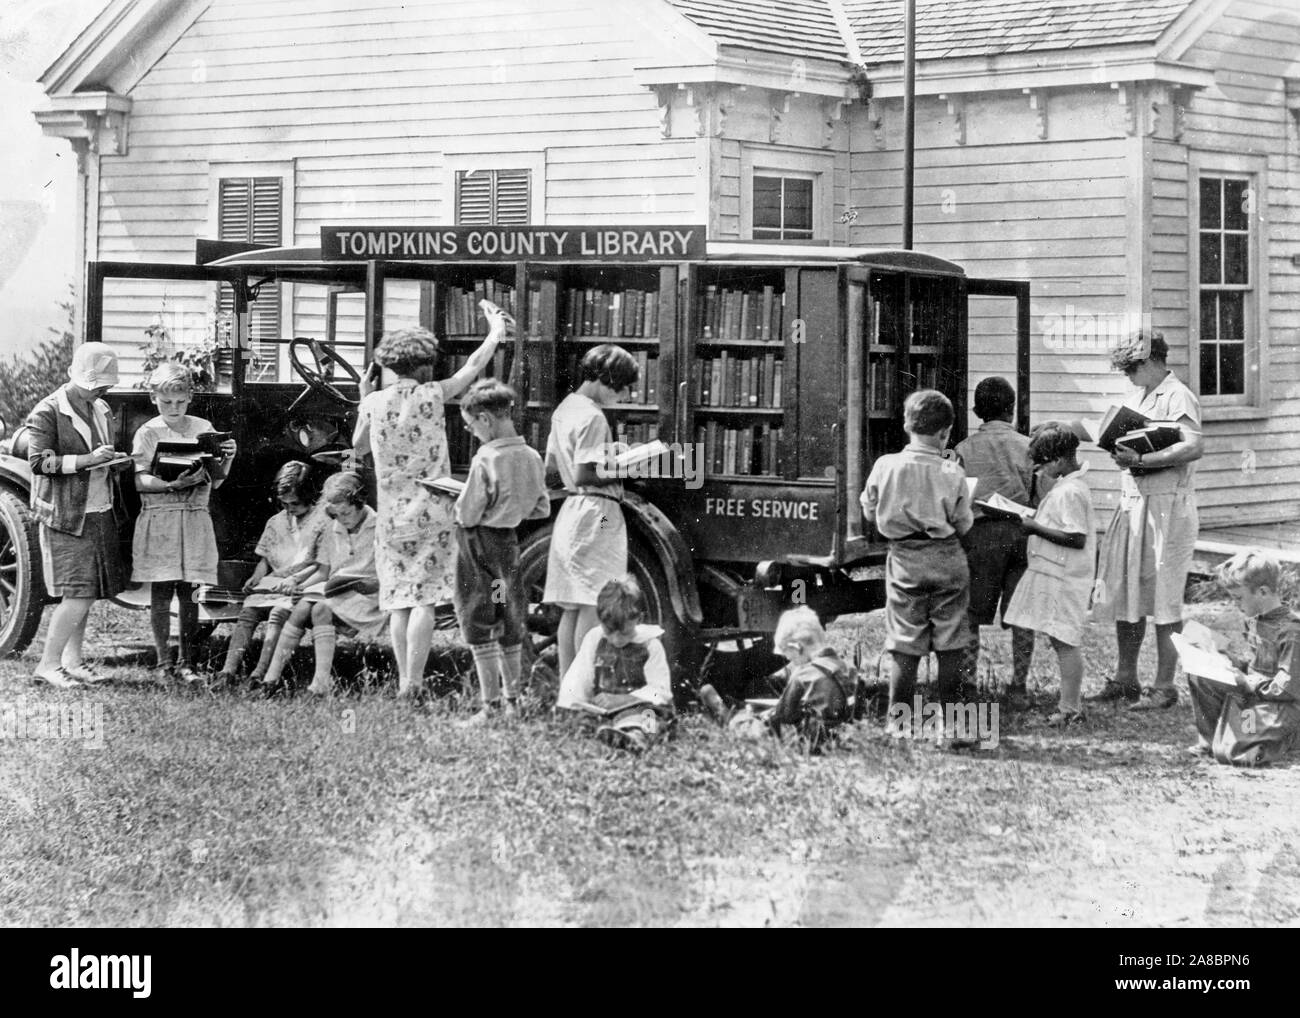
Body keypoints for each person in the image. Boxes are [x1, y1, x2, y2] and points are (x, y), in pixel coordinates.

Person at [353, 308, 509, 699]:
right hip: (433, 509)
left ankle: (405, 678)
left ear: (387, 364)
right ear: (424, 365)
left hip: (391, 514)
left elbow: (357, 445)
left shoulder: (374, 402)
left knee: (399, 601)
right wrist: (495, 332)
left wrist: (362, 398)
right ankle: (414, 683)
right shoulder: (434, 393)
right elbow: (473, 368)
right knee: (423, 597)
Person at [1090, 331, 1203, 710]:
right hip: (1135, 502)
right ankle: (1126, 678)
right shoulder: (1136, 397)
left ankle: (1164, 685)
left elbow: (1193, 445)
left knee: (1165, 597)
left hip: (1167, 507)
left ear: (1152, 360)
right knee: (1128, 591)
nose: (1128, 375)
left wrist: (1142, 460)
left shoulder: (1177, 394)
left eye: (1132, 367)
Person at [859, 389, 974, 733]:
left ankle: (901, 725)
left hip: (904, 558)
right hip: (946, 557)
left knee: (904, 643)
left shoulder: (885, 465)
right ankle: (953, 727)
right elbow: (963, 522)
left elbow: (868, 508)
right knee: (952, 643)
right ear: (945, 432)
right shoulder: (952, 472)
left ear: (908, 426)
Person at [25, 342, 131, 688]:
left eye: (104, 385)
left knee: (86, 591)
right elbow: (39, 463)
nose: (101, 391)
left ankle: (71, 661)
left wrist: (115, 461)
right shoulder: (47, 411)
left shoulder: (101, 408)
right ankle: (48, 664)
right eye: (96, 385)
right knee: (78, 592)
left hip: (98, 509)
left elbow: (100, 452)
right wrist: (87, 461)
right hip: (67, 516)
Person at [450, 379, 550, 725]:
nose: (472, 432)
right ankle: (513, 702)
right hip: (507, 549)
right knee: (507, 616)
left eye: (471, 424)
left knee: (478, 617)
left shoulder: (486, 458)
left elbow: (467, 513)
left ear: (486, 420)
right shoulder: (532, 457)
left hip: (477, 548)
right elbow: (540, 509)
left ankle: (489, 707)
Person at [131, 362, 238, 683]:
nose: (174, 408)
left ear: (190, 397)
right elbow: (140, 480)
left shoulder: (203, 427)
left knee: (190, 591)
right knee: (162, 591)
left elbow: (216, 481)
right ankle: (165, 662)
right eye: (166, 403)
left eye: (180, 402)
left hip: (193, 517)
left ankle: (187, 662)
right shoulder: (148, 432)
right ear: (154, 399)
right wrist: (170, 486)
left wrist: (227, 457)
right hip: (162, 518)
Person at [544, 344, 639, 680]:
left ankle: (568, 688)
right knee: (594, 601)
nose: (625, 395)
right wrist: (626, 468)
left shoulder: (565, 409)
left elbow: (554, 470)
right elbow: (587, 473)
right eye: (623, 386)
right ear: (606, 379)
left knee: (572, 605)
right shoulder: (594, 417)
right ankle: (584, 685)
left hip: (573, 511)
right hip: (598, 513)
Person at [1002, 423, 1097, 726]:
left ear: (1057, 461)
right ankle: (1069, 705)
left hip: (1065, 577)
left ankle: (1070, 708)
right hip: (1058, 573)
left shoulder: (1069, 491)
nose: (1040, 471)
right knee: (1059, 640)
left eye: (1042, 465)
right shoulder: (1068, 487)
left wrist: (1033, 526)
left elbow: (1076, 537)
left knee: (1065, 640)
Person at [258, 471, 383, 696]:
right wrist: (301, 586)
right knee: (303, 606)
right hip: (338, 589)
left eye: (346, 512)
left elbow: (384, 571)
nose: (342, 519)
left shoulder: (378, 527)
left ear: (360, 503)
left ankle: (320, 682)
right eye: (336, 514)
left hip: (369, 594)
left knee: (321, 608)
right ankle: (271, 678)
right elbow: (325, 570)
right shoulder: (334, 526)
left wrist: (370, 583)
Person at [953, 377, 1035, 706]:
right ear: (1012, 409)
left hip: (980, 534)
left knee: (971, 614)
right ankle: (1018, 685)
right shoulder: (1028, 445)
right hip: (1021, 534)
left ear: (976, 411)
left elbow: (955, 497)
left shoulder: (962, 449)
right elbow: (1038, 492)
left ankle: (969, 682)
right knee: (1021, 614)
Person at [212, 460, 325, 688]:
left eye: (295, 504)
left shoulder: (322, 521)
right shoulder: (276, 521)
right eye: (285, 504)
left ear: (309, 496)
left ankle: (260, 672)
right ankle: (228, 671)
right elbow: (266, 556)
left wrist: (297, 580)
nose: (290, 509)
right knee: (248, 614)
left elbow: (324, 563)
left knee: (277, 615)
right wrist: (256, 577)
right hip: (273, 581)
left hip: (302, 582)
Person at [1186, 551, 1300, 767]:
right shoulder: (1255, 621)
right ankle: (1211, 740)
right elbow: (1257, 666)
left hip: (1285, 708)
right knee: (1200, 673)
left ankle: (1289, 739)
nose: (1235, 603)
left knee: (1232, 752)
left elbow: (1288, 689)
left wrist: (1248, 683)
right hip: (1258, 696)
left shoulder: (1291, 631)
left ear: (1263, 592)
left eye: (1238, 597)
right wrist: (1224, 657)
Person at [699, 606, 856, 753]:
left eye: (789, 654)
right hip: (843, 735)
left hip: (812, 741)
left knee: (749, 725)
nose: (790, 660)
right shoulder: (845, 667)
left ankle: (729, 716)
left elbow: (781, 716)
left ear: (797, 648)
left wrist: (758, 717)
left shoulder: (803, 676)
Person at [556, 575, 674, 753]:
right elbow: (580, 678)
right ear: (600, 621)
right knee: (583, 720)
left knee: (650, 717)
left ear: (638, 619)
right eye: (609, 631)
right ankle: (601, 735)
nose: (617, 639)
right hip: (604, 711)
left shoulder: (650, 645)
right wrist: (576, 702)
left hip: (639, 707)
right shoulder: (595, 639)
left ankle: (636, 737)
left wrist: (624, 699)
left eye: (625, 632)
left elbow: (660, 690)